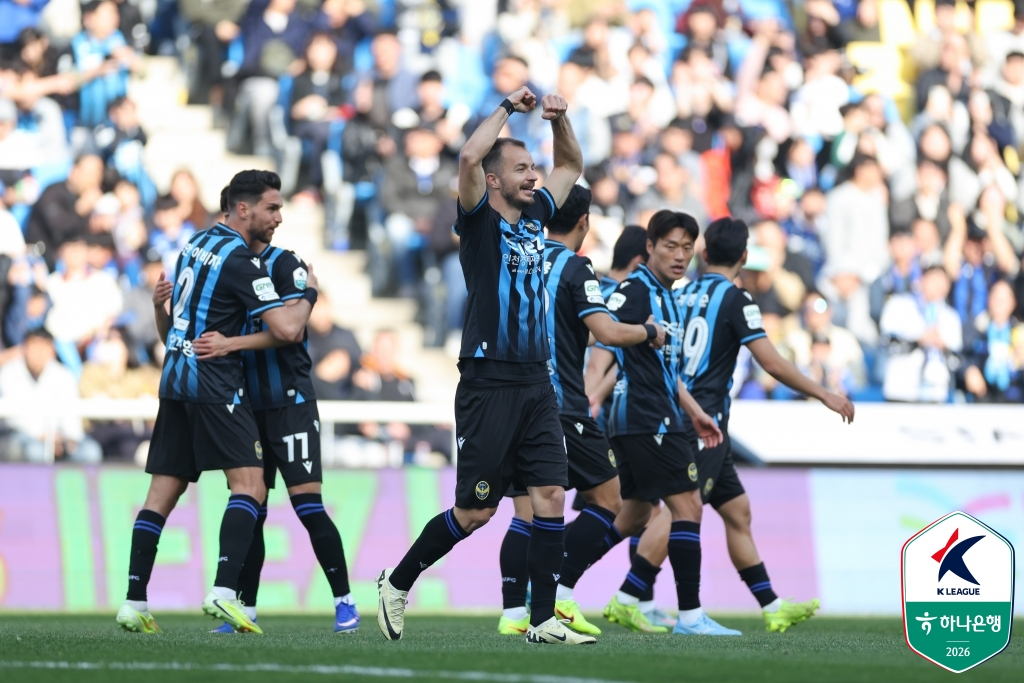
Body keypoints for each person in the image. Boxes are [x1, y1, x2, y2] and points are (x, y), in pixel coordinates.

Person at [376, 86, 590, 645]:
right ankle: (397, 583)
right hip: (488, 380)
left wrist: (559, 120)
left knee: (549, 498)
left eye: (532, 167)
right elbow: (469, 157)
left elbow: (571, 163)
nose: (534, 175)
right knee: (475, 514)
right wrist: (506, 109)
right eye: (521, 168)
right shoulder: (477, 221)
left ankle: (541, 620)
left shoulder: (537, 215)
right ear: (494, 181)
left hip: (537, 380)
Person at [114, 170, 319, 635]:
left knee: (160, 496)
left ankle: (134, 600)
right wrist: (308, 292)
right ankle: (225, 593)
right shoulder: (241, 261)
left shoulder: (193, 244)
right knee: (250, 485)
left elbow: (174, 335)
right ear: (243, 209)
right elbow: (289, 330)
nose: (278, 217)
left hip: (175, 382)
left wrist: (155, 309)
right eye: (272, 207)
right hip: (215, 386)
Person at [495, 186, 667, 637]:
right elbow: (606, 332)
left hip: (512, 401)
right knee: (609, 500)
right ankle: (559, 596)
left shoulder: (518, 259)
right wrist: (649, 331)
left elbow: (571, 331)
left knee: (525, 514)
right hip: (561, 405)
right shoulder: (575, 266)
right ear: (585, 222)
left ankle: (514, 613)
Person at [668, 217, 853, 634]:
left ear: (704, 253)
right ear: (745, 257)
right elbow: (770, 361)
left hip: (680, 412)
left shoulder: (680, 293)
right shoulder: (737, 299)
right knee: (681, 509)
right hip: (705, 421)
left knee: (737, 511)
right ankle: (631, 592)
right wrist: (823, 393)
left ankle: (770, 604)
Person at [189, 189, 358, 634]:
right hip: (245, 405)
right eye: (273, 209)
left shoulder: (286, 264)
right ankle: (245, 606)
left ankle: (345, 601)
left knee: (308, 505)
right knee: (252, 508)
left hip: (290, 403)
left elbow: (290, 329)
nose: (278, 218)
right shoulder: (227, 266)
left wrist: (232, 343)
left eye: (281, 209)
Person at [585, 210, 725, 635]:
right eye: (670, 246)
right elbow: (600, 329)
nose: (680, 255)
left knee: (631, 515)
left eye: (686, 247)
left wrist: (695, 411)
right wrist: (593, 390)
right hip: (648, 419)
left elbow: (665, 368)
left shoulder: (668, 295)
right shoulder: (638, 289)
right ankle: (689, 616)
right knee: (688, 507)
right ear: (649, 248)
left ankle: (558, 580)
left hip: (652, 414)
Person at [0, 328, 102, 463]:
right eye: (34, 346)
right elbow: (13, 418)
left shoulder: (62, 374)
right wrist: (44, 436)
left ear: (52, 350)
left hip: (60, 438)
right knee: (35, 452)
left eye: (43, 347)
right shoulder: (9, 374)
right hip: (23, 436)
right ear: (24, 348)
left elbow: (71, 414)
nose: (38, 353)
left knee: (90, 452)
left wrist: (70, 439)